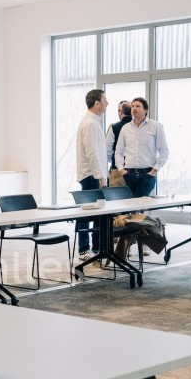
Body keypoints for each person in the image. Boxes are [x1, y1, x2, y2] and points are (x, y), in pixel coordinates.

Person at [74, 89, 109, 256]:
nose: (107, 103)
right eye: (105, 100)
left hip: (94, 175)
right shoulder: (89, 124)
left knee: (96, 214)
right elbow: (92, 153)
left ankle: (96, 247)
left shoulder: (94, 122)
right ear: (97, 103)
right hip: (91, 176)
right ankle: (84, 249)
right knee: (87, 213)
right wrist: (100, 176)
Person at [113, 97, 169, 198]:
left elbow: (164, 151)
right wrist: (121, 170)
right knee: (129, 206)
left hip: (147, 174)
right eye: (133, 106)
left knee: (138, 205)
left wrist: (154, 170)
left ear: (145, 110)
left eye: (138, 106)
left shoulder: (156, 126)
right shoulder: (125, 128)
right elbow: (118, 152)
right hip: (129, 173)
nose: (134, 109)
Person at [107, 100, 132, 175]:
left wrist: (115, 161)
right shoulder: (139, 126)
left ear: (122, 111)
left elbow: (107, 150)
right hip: (135, 171)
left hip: (117, 170)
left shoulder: (114, 127)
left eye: (119, 110)